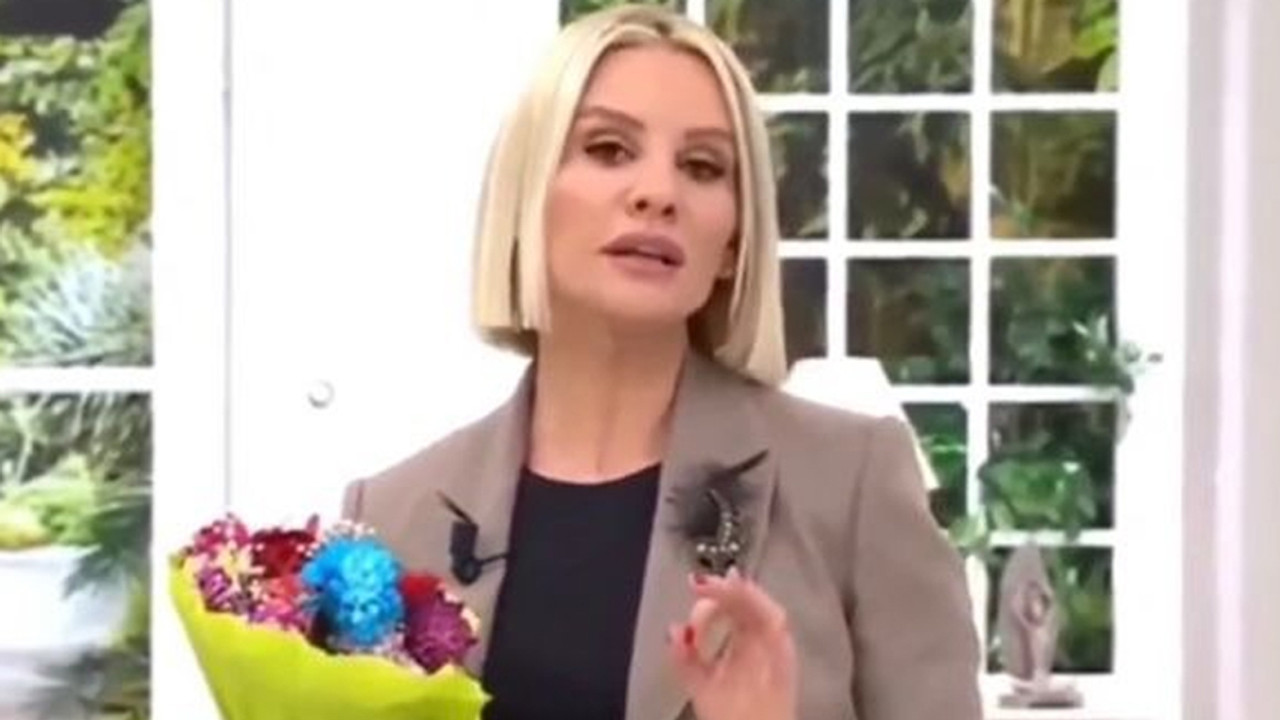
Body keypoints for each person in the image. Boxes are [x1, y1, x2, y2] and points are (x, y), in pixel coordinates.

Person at [340, 5, 982, 720]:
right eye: (609, 149)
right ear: (527, 196)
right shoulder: (393, 518)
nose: (658, 193)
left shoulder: (850, 483)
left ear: (733, 241)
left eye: (702, 167)